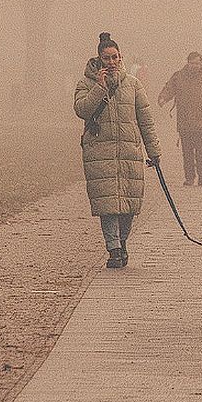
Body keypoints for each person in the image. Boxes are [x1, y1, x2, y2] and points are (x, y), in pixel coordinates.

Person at [74, 32, 161, 269]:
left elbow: (145, 120)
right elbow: (81, 110)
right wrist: (99, 88)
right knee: (108, 205)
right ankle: (113, 249)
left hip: (128, 152)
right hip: (99, 153)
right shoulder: (86, 84)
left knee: (129, 206)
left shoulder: (133, 84)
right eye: (106, 58)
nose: (111, 62)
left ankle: (122, 242)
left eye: (114, 57)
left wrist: (154, 151)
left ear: (120, 57)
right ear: (99, 59)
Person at [158, 51, 202, 186]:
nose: (195, 66)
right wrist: (163, 98)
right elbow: (169, 88)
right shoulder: (179, 76)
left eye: (198, 63)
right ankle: (189, 177)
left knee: (201, 149)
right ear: (188, 62)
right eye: (192, 63)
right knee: (187, 151)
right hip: (184, 121)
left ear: (201, 63)